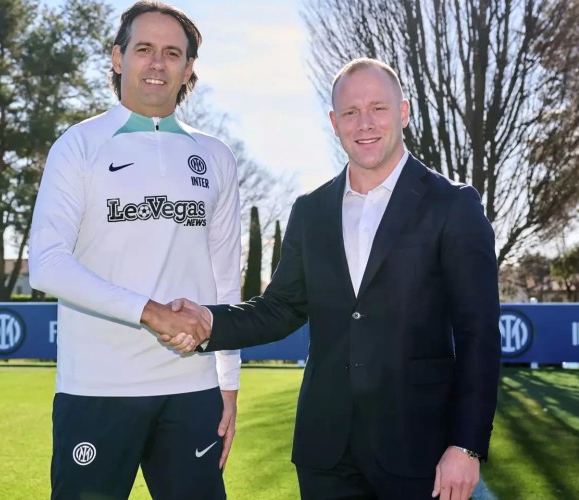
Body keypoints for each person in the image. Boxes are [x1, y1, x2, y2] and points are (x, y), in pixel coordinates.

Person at [165, 58, 501, 499]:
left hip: (420, 449)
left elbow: (479, 334)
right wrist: (210, 322)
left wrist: (467, 445)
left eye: (378, 108)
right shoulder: (311, 210)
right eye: (350, 112)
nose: (365, 123)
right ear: (334, 122)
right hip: (325, 452)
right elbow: (281, 308)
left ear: (403, 112)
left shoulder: (453, 205)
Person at [28, 2, 241, 498]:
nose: (157, 63)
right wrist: (151, 312)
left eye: (173, 53)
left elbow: (225, 277)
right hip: (97, 388)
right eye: (144, 49)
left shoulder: (215, 156)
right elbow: (47, 264)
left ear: (188, 68)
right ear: (118, 57)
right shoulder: (78, 145)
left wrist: (228, 383)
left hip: (192, 389)